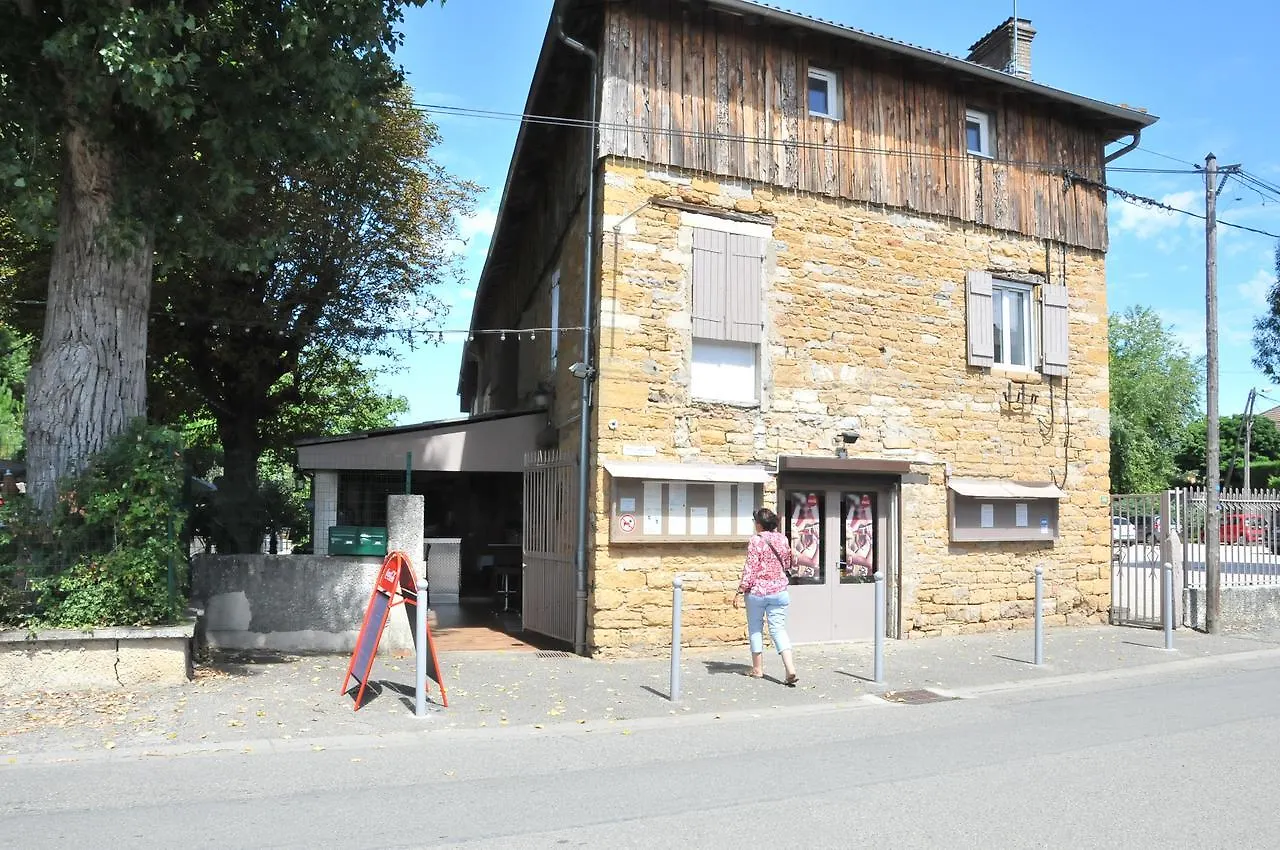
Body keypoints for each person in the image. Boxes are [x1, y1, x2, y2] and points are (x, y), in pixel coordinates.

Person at [734, 507, 799, 686]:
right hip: (779, 591)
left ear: (759, 524)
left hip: (757, 592)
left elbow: (751, 568)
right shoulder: (783, 539)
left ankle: (757, 669)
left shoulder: (756, 541)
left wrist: (741, 590)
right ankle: (790, 668)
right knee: (778, 629)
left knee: (755, 628)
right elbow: (788, 563)